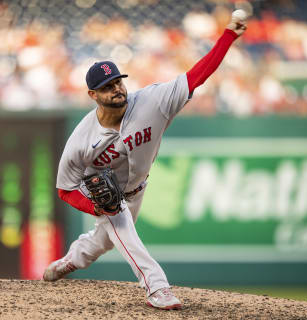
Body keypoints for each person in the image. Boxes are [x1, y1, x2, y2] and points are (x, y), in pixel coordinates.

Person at [43, 13, 247, 310]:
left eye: (118, 82)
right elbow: (64, 189)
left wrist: (228, 35)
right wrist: (96, 206)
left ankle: (71, 260)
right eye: (107, 86)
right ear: (92, 94)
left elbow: (198, 75)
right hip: (103, 193)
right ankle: (157, 288)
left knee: (104, 241)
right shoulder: (81, 141)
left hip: (137, 187)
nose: (117, 89)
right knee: (121, 226)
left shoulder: (154, 101)